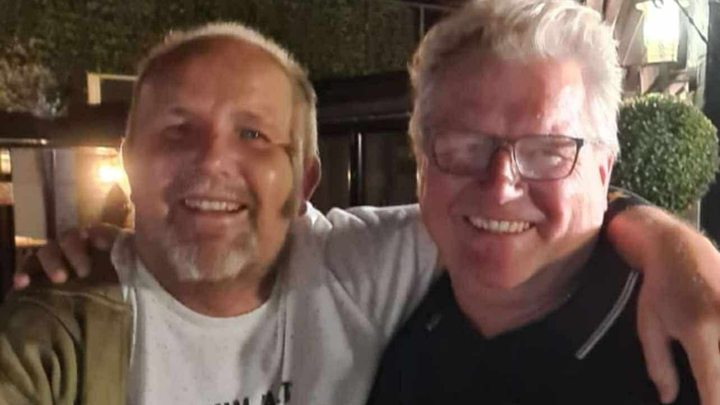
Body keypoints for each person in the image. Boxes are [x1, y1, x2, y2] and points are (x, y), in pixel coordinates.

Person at [3, 19, 720, 405]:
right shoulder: (57, 335)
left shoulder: (355, 265)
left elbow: (544, 213)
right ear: (129, 159)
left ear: (306, 181)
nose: (210, 161)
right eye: (175, 131)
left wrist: (678, 251)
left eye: (253, 135)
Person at [367, 1, 711, 404]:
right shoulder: (390, 322)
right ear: (422, 165)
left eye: (548, 152)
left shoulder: (693, 352)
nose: (500, 187)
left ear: (603, 173)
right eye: (466, 146)